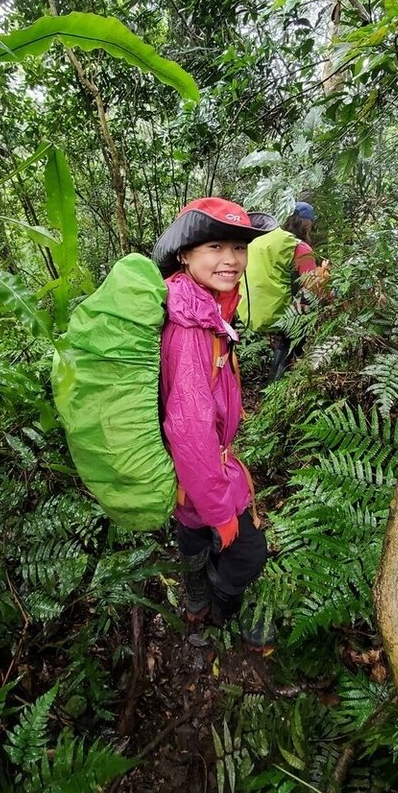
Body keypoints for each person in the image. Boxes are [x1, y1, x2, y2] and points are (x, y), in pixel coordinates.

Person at [152, 198, 274, 649]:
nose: (231, 259)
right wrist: (223, 511)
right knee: (247, 552)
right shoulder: (190, 328)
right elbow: (189, 430)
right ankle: (221, 607)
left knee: (191, 528)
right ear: (185, 254)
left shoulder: (203, 307)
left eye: (239, 247)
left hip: (193, 478)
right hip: (205, 473)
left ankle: (196, 592)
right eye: (216, 246)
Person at [239, 202, 330, 381]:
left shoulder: (259, 241)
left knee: (283, 344)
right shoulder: (299, 247)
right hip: (284, 315)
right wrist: (328, 285)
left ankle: (274, 388)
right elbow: (311, 288)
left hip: (253, 312)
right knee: (292, 347)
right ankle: (277, 390)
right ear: (306, 223)